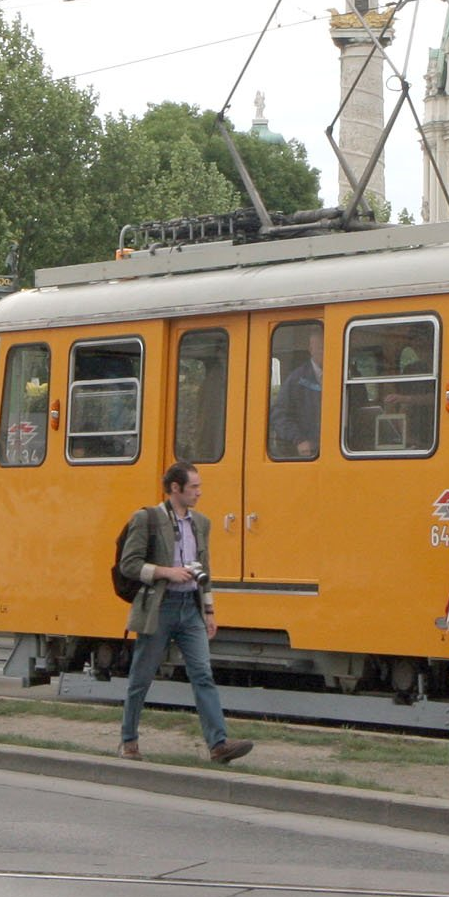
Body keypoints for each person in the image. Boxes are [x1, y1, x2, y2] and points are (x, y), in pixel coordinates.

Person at [117, 462, 253, 764]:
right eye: (193, 487)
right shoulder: (147, 519)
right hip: (159, 609)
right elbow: (129, 564)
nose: (199, 492)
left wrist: (209, 610)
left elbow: (206, 570)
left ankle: (219, 745)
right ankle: (129, 740)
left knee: (203, 673)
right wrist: (167, 572)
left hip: (189, 609)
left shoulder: (201, 523)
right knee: (142, 676)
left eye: (199, 487)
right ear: (175, 489)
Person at [268, 325, 323, 458]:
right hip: (307, 454)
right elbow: (279, 416)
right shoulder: (296, 380)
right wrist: (299, 440)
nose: (325, 352)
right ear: (310, 350)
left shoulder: (347, 374)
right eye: (321, 348)